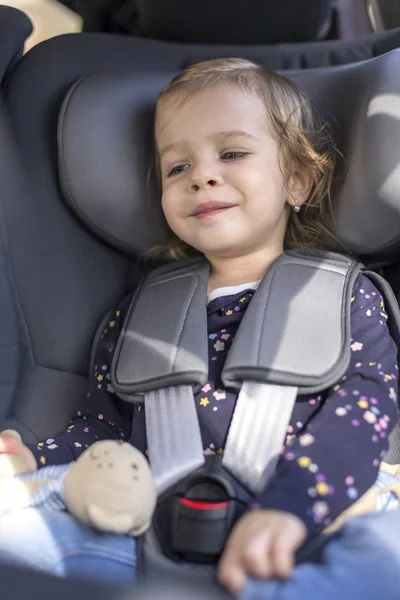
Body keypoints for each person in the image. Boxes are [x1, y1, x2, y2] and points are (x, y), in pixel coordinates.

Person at [0, 58, 398, 599]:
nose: (202, 175)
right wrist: (33, 457)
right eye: (176, 168)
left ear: (297, 180)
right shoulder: (140, 314)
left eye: (232, 153)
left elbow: (364, 412)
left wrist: (293, 505)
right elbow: (102, 429)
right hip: (151, 531)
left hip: (317, 517)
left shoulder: (345, 296)